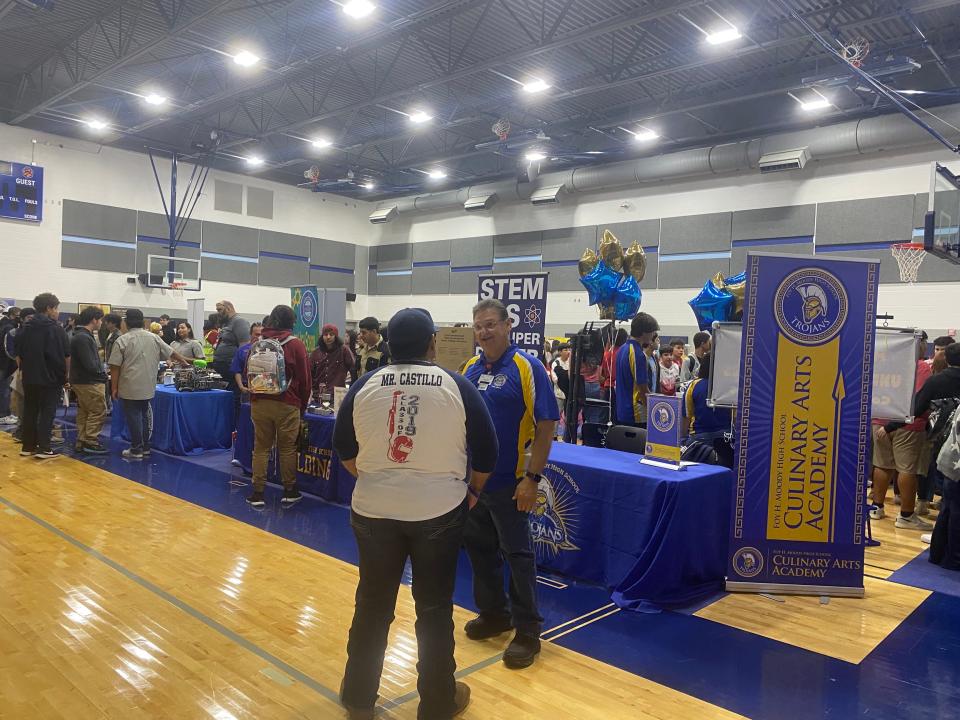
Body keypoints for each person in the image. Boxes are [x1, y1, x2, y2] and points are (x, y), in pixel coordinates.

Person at [333, 308, 498, 720]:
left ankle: (358, 696)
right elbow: (488, 449)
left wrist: (377, 478)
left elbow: (343, 449)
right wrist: (472, 491)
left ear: (388, 345)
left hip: (373, 513)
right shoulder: (455, 384)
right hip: (438, 511)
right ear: (432, 344)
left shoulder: (364, 385)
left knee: (372, 604)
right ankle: (438, 701)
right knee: (434, 607)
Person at [460, 298, 558, 670]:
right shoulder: (469, 368)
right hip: (473, 484)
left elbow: (547, 425)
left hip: (511, 483)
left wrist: (532, 479)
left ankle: (528, 629)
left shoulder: (527, 367)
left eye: (490, 324)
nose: (484, 332)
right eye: (479, 326)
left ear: (507, 325)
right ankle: (494, 614)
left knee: (517, 556)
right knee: (480, 552)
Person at [246, 306, 311, 509]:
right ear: (291, 322)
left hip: (259, 402)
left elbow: (247, 372)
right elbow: (305, 378)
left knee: (261, 447)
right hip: (286, 402)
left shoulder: (258, 343)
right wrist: (301, 406)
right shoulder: (295, 344)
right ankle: (289, 491)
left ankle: (257, 493)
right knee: (287, 448)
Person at [109, 309, 190, 460]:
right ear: (142, 321)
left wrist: (113, 387)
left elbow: (115, 366)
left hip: (129, 384)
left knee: (134, 417)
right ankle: (146, 447)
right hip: (148, 384)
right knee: (144, 415)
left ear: (125, 322)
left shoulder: (123, 340)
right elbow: (171, 351)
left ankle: (136, 449)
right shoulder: (154, 337)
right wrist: (184, 362)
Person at [870, 339, 934, 530]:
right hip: (907, 424)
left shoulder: (885, 364)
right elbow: (920, 398)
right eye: (922, 342)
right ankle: (906, 516)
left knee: (881, 464)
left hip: (880, 418)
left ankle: (876, 507)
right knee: (907, 470)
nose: (925, 346)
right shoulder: (921, 366)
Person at [15, 293, 70, 459]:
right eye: (56, 308)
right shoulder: (57, 329)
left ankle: (27, 446)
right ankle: (44, 447)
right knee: (47, 411)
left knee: (30, 410)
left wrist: (24, 370)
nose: (58, 312)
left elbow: (18, 355)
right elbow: (67, 356)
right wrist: (66, 377)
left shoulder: (24, 328)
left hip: (29, 377)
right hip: (51, 377)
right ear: (49, 309)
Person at [682, 353, 733, 467]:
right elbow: (734, 416)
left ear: (702, 366)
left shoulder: (693, 385)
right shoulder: (729, 386)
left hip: (699, 437)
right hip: (725, 437)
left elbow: (686, 416)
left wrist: (682, 440)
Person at [70, 306, 109, 454]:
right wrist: (103, 374)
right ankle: (90, 441)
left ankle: (82, 440)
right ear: (94, 319)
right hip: (89, 381)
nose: (101, 323)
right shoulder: (83, 337)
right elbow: (90, 363)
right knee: (98, 410)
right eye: (100, 320)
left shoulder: (80, 335)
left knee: (85, 411)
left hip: (81, 380)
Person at [613, 313, 660, 427]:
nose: (654, 335)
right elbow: (642, 388)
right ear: (644, 332)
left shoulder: (622, 349)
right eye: (653, 332)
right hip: (636, 413)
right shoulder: (638, 354)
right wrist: (654, 409)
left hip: (622, 408)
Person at [212, 300, 251, 423]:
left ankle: (234, 428)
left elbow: (244, 349)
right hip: (221, 369)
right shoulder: (226, 324)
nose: (217, 313)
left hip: (232, 370)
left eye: (219, 309)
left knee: (233, 401)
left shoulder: (239, 322)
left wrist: (238, 369)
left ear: (228, 308)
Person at [8, 308, 34, 441]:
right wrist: (20, 367)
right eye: (29, 317)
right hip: (19, 371)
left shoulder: (35, 332)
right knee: (21, 402)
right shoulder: (14, 333)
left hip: (29, 371)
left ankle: (24, 430)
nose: (32, 320)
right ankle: (21, 429)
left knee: (26, 402)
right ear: (22, 319)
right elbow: (11, 352)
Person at [311, 323, 356, 399]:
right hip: (318, 395)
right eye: (325, 334)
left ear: (336, 336)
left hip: (337, 396)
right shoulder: (316, 353)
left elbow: (353, 369)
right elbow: (310, 373)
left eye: (331, 334)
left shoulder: (344, 350)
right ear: (322, 336)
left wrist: (352, 390)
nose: (328, 337)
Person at [0, 306, 20, 425]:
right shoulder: (8, 327)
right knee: (4, 390)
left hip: (3, 363)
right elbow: (8, 348)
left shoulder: (4, 325)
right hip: (4, 364)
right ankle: (3, 414)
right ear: (14, 315)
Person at [231, 321, 263, 395]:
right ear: (250, 334)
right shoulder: (242, 350)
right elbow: (237, 370)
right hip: (246, 388)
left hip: (263, 389)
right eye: (257, 334)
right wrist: (241, 387)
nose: (259, 337)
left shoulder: (269, 351)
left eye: (261, 335)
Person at [102, 313, 122, 415]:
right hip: (108, 364)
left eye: (107, 322)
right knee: (108, 387)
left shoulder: (118, 335)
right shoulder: (110, 333)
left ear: (113, 323)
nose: (105, 324)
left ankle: (114, 409)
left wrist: (110, 365)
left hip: (113, 365)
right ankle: (110, 407)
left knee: (113, 388)